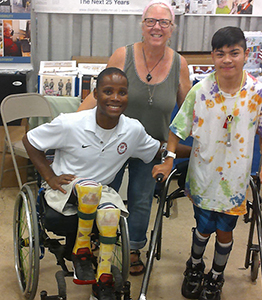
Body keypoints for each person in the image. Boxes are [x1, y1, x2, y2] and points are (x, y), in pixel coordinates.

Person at [152, 26, 262, 300]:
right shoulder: (200, 91)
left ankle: (216, 276)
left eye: (235, 53)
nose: (228, 60)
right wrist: (169, 159)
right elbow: (176, 129)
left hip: (235, 181)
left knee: (224, 231)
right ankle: (195, 266)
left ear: (246, 55)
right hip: (203, 176)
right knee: (204, 228)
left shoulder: (257, 92)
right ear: (213, 57)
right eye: (221, 54)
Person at [22, 68, 166, 300]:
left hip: (100, 192)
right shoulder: (70, 123)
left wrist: (198, 149)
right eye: (108, 91)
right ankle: (81, 250)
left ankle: (103, 278)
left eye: (122, 92)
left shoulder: (132, 130)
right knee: (89, 188)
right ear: (95, 94)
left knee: (111, 213)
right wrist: (49, 176)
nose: (115, 98)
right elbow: (29, 140)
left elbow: (158, 148)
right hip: (64, 190)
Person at [77, 0, 191, 276]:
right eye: (151, 21)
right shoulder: (123, 55)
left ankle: (133, 248)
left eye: (164, 22)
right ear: (142, 25)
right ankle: (94, 242)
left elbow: (190, 110)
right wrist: (72, 124)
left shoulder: (179, 64)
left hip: (151, 147)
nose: (157, 27)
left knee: (140, 198)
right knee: (103, 193)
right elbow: (98, 94)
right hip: (112, 142)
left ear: (172, 29)